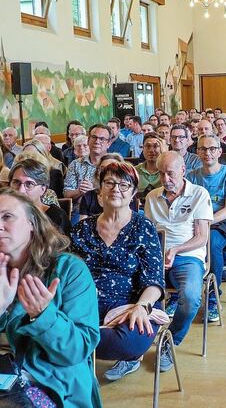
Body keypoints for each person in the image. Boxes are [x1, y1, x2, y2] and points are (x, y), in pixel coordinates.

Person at [0, 188, 101, 407]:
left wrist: (44, 317)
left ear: (32, 223)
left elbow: (76, 351)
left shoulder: (69, 270)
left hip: (47, 382)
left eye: (7, 217)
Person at [71, 162, 164, 382]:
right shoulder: (82, 229)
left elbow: (153, 280)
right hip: (87, 303)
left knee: (128, 341)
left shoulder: (144, 227)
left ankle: (75, 346)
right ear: (100, 190)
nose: (116, 189)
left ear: (133, 193)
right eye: (110, 183)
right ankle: (76, 349)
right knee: (51, 326)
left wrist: (142, 307)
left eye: (124, 185)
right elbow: (70, 274)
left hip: (132, 303)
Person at [143, 152, 214, 371]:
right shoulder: (152, 197)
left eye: (170, 174)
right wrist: (156, 255)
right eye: (161, 174)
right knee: (130, 290)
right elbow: (147, 233)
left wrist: (176, 249)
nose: (165, 179)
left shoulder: (199, 194)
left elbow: (202, 237)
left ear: (183, 170)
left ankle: (170, 341)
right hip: (156, 256)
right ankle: (133, 348)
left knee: (191, 297)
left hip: (187, 256)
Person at [187, 134, 226, 323]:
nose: (208, 153)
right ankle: (177, 293)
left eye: (212, 149)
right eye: (203, 149)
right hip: (195, 221)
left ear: (220, 152)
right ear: (197, 152)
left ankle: (213, 296)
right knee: (176, 238)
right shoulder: (192, 176)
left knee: (211, 242)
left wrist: (205, 222)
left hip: (222, 222)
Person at [64, 124, 111, 225]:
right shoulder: (76, 164)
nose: (97, 141)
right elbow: (66, 194)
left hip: (109, 210)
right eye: (94, 137)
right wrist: (80, 191)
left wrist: (94, 192)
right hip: (79, 210)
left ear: (109, 143)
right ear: (88, 140)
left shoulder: (114, 164)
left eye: (102, 139)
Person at [9, 159, 71, 235]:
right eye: (16, 182)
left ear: (43, 189)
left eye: (29, 184)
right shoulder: (2, 213)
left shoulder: (56, 217)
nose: (21, 190)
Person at [136, 133, 168, 202]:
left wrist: (165, 154)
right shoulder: (135, 171)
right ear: (143, 149)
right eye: (148, 146)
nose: (151, 150)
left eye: (155, 146)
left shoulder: (167, 172)